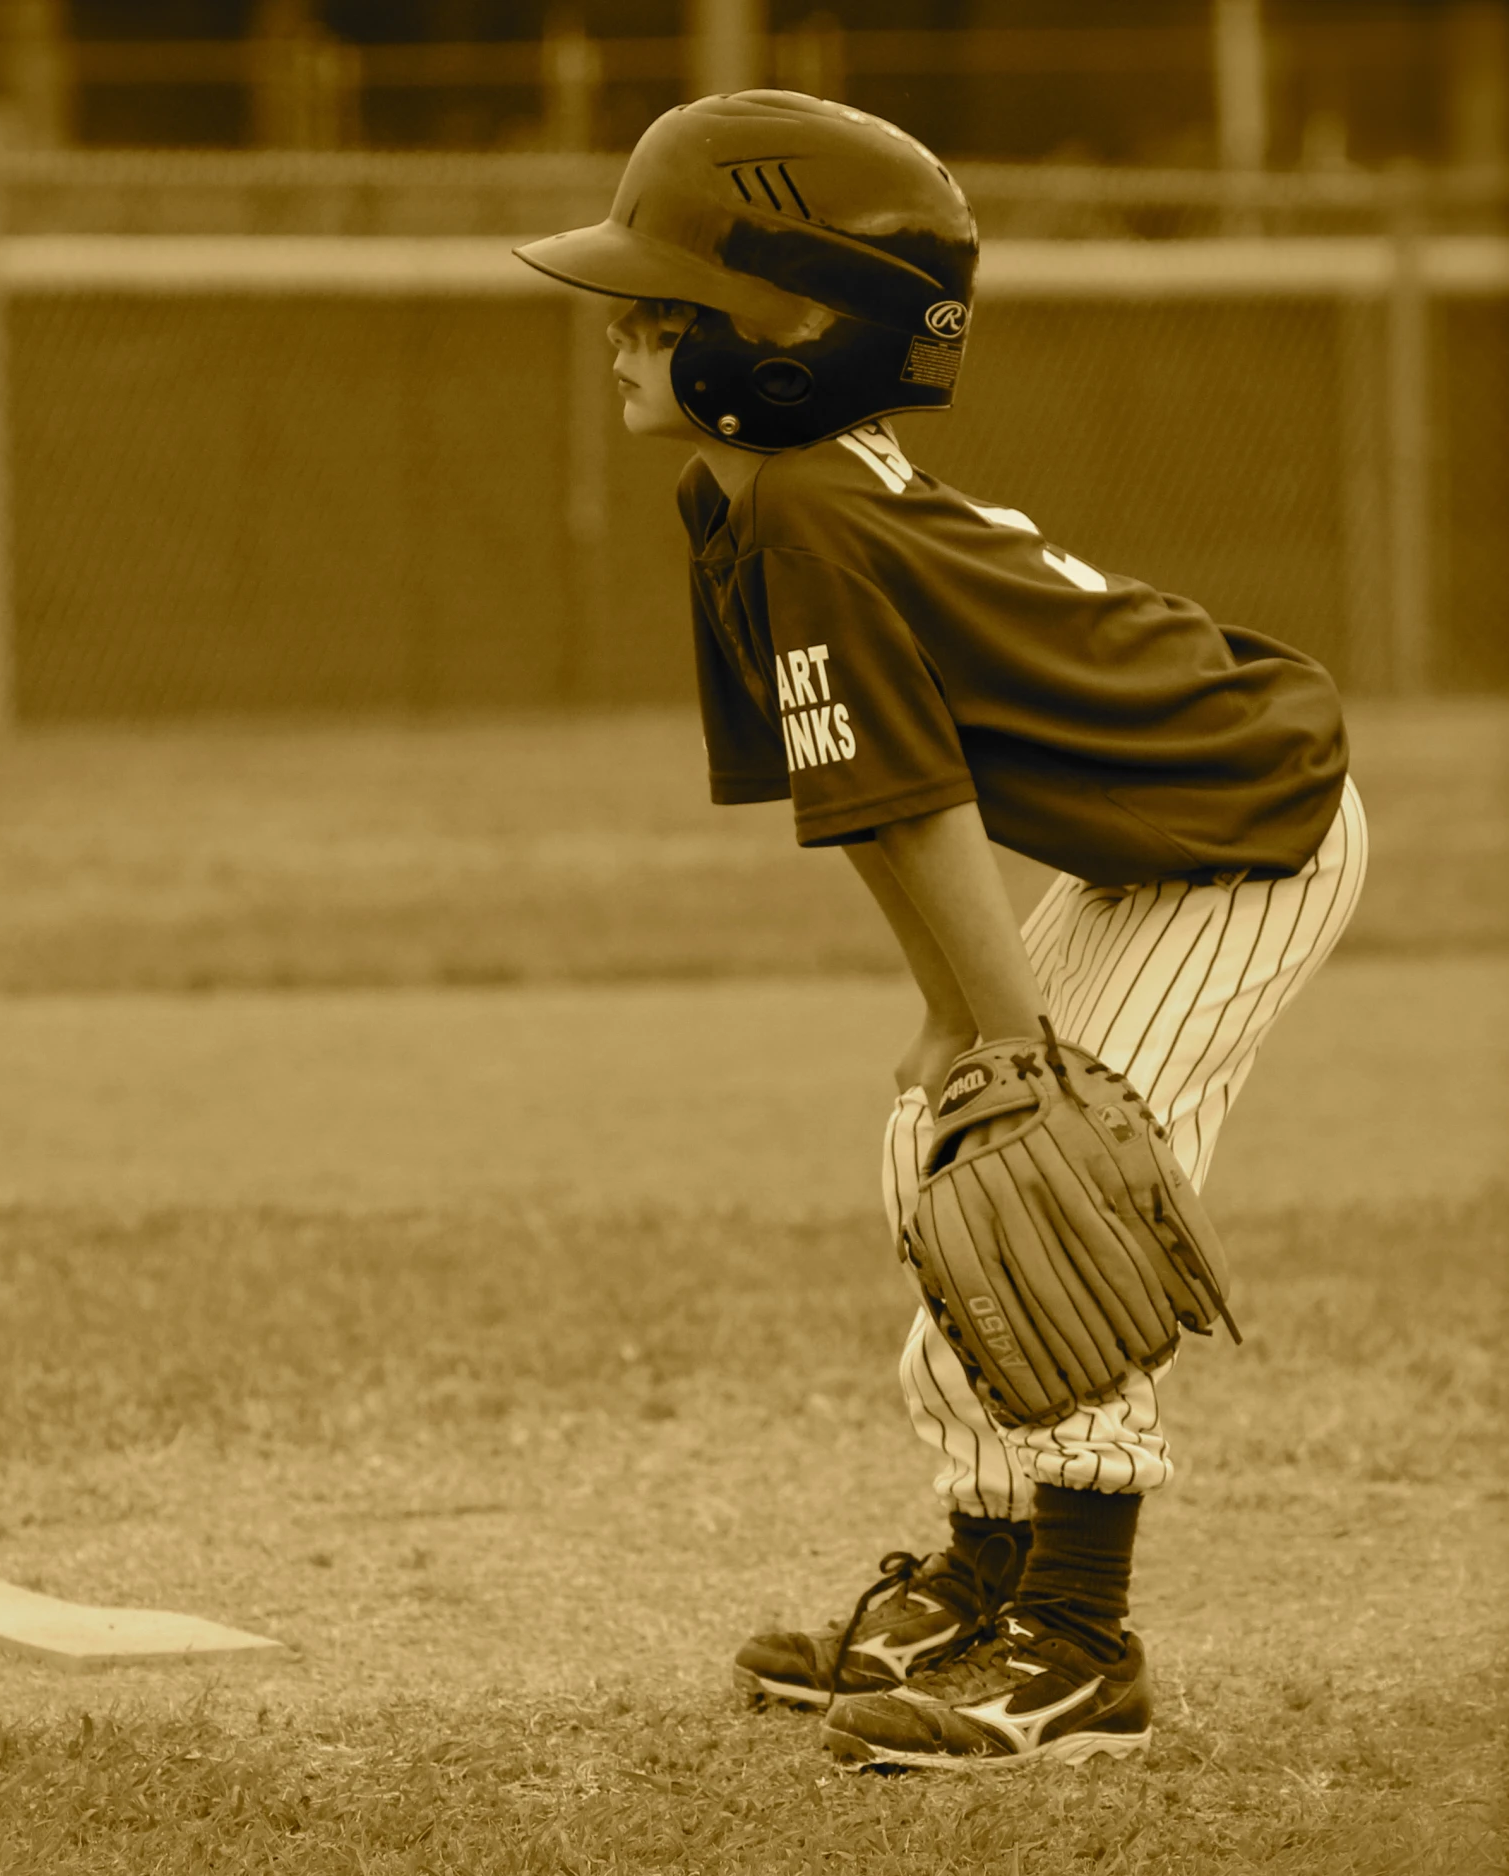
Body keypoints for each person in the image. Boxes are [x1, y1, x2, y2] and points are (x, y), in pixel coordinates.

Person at [515, 90, 1366, 1770]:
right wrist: (955, 1029)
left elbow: (916, 802)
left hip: (1249, 834)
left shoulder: (806, 509)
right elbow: (873, 793)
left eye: (660, 306)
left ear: (787, 344)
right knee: (943, 1146)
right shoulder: (749, 497)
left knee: (1068, 1184)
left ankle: (1076, 1642)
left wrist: (1010, 1046)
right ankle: (983, 1571)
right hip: (1146, 841)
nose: (614, 333)